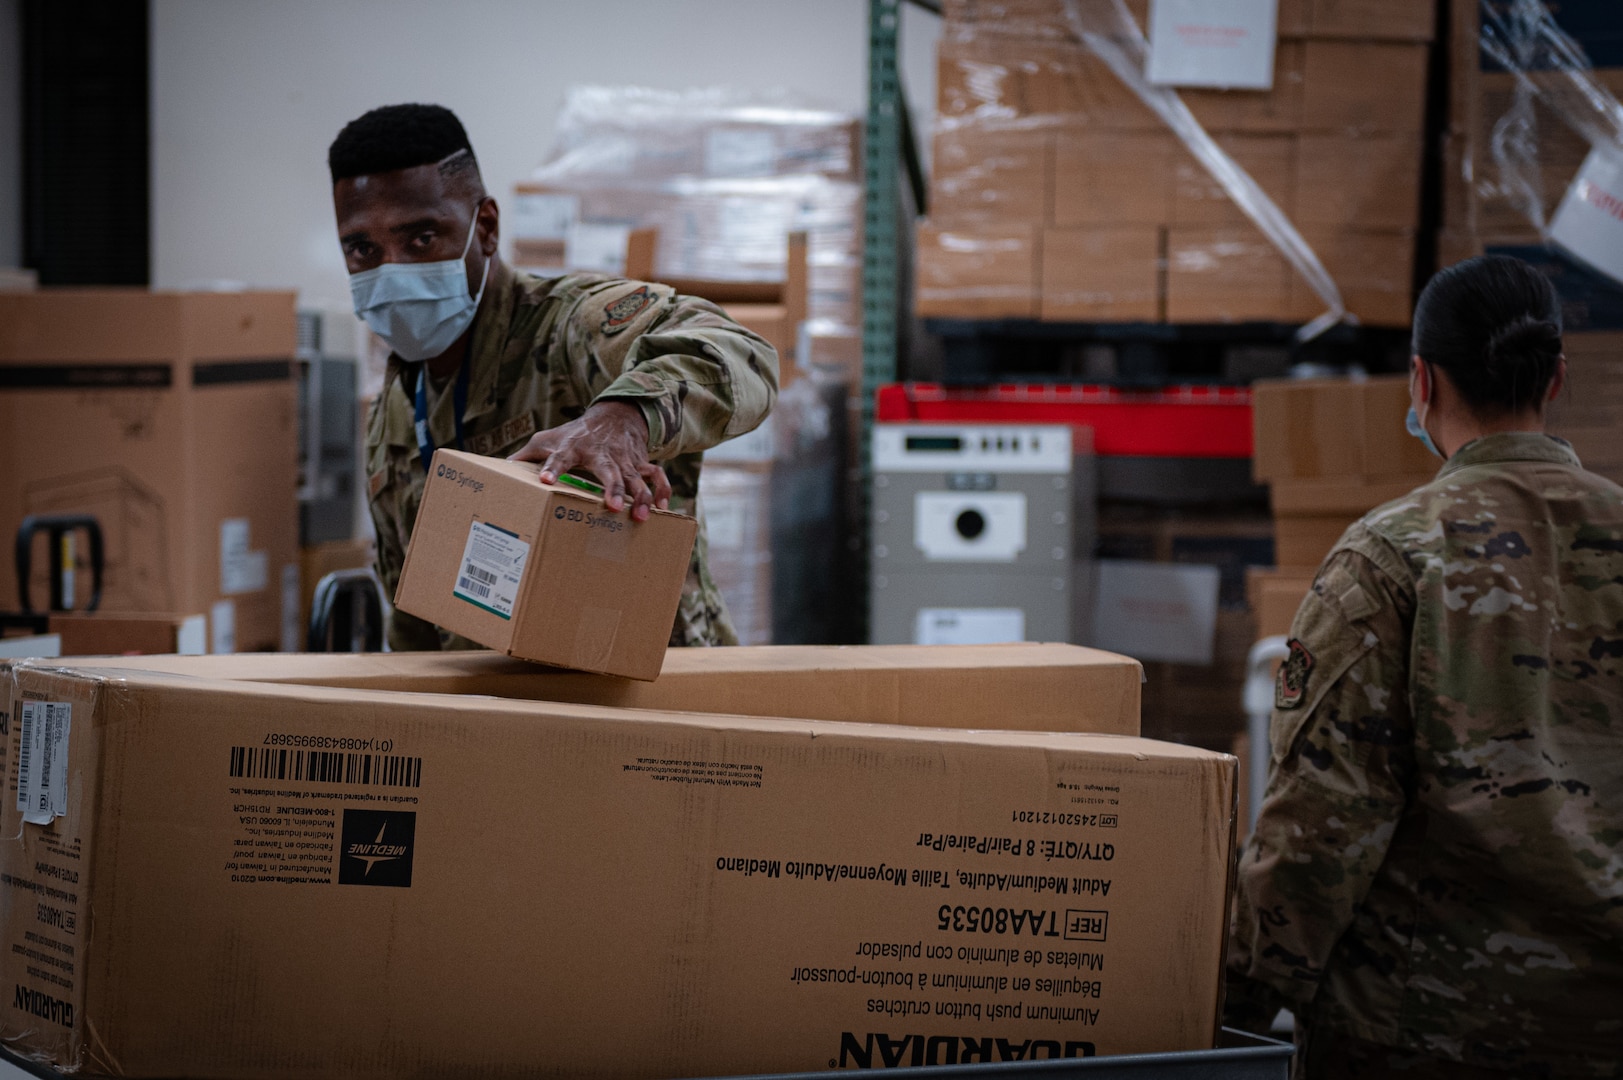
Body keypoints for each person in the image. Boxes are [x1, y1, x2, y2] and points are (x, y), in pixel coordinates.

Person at [1225, 255, 1623, 1078]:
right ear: (1553, 378)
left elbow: (1320, 826)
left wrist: (1227, 1001)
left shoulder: (1390, 558)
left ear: (1420, 381)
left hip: (1421, 1034)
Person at [329, 104, 778, 651]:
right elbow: (415, 625)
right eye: (362, 249)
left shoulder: (571, 328)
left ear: (485, 228)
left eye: (421, 239)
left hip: (647, 700)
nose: (392, 269)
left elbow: (743, 354)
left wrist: (624, 419)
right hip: (498, 719)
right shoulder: (393, 418)